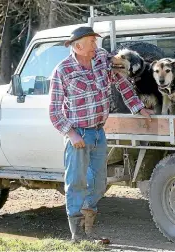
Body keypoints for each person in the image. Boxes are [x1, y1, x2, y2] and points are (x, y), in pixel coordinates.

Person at [48, 26, 154, 243]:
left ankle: (88, 231)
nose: (96, 46)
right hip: (78, 135)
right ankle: (77, 236)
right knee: (76, 182)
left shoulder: (102, 59)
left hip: (98, 132)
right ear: (78, 46)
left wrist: (138, 107)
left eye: (95, 42)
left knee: (99, 182)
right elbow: (54, 111)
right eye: (92, 42)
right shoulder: (62, 71)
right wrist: (71, 134)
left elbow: (121, 82)